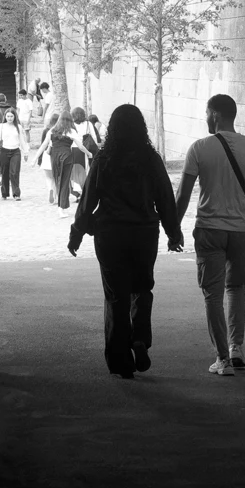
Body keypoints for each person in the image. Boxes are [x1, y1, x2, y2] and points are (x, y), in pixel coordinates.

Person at [69, 104, 184, 376]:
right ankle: (140, 337)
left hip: (110, 235)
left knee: (116, 296)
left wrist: (76, 233)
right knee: (142, 287)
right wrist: (173, 233)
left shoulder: (104, 158)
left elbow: (87, 202)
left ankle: (121, 361)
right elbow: (165, 198)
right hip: (144, 234)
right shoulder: (151, 159)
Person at [173, 93, 245, 375]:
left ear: (215, 114)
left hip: (209, 229)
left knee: (213, 294)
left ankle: (222, 359)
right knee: (237, 288)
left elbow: (182, 194)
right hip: (241, 231)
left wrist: (173, 228)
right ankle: (236, 348)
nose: (205, 118)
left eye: (207, 113)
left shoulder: (199, 149)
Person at [0, 107, 25, 199]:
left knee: (14, 172)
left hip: (16, 151)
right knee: (4, 172)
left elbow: (22, 140)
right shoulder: (1, 126)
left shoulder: (18, 127)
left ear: (15, 117)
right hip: (4, 150)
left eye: (11, 116)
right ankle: (4, 193)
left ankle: (16, 194)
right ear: (5, 116)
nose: (10, 118)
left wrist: (26, 151)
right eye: (8, 116)